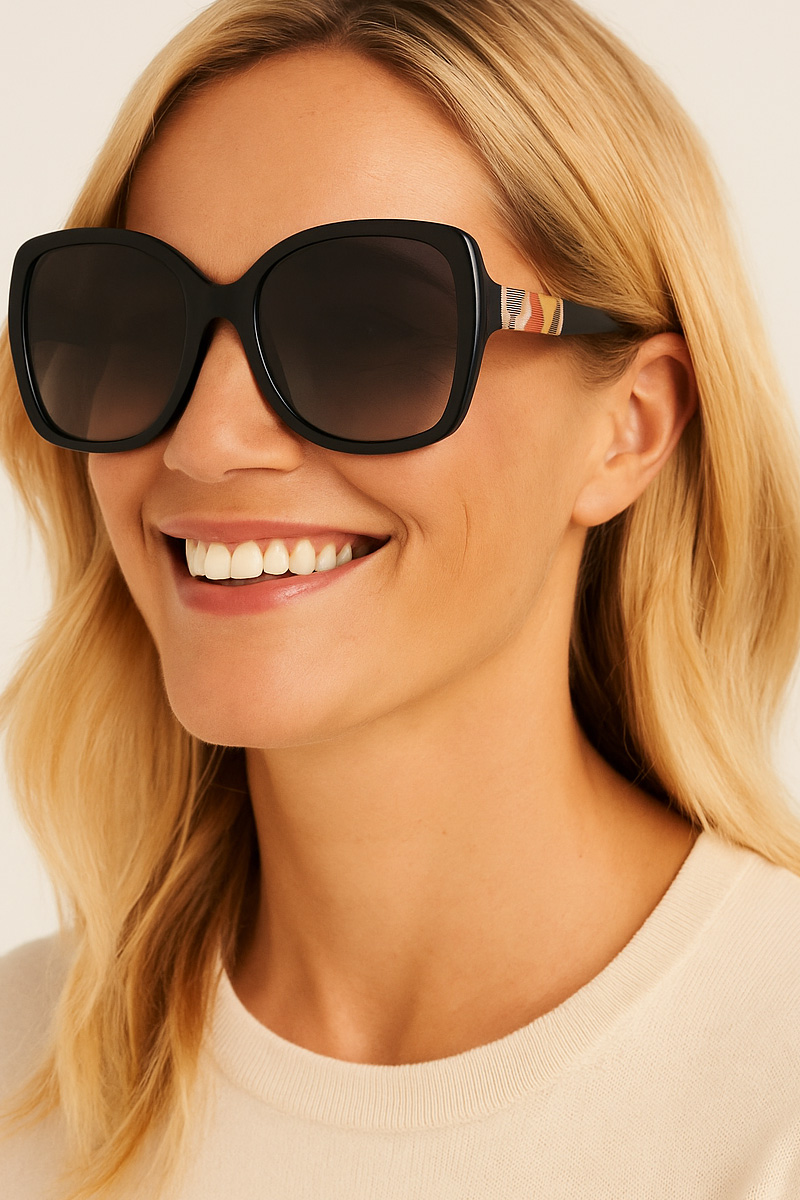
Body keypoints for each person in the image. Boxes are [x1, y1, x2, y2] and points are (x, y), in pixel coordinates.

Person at [1, 0, 800, 1196]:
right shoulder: (22, 1070)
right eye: (138, 319)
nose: (206, 440)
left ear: (627, 429)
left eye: (365, 328)